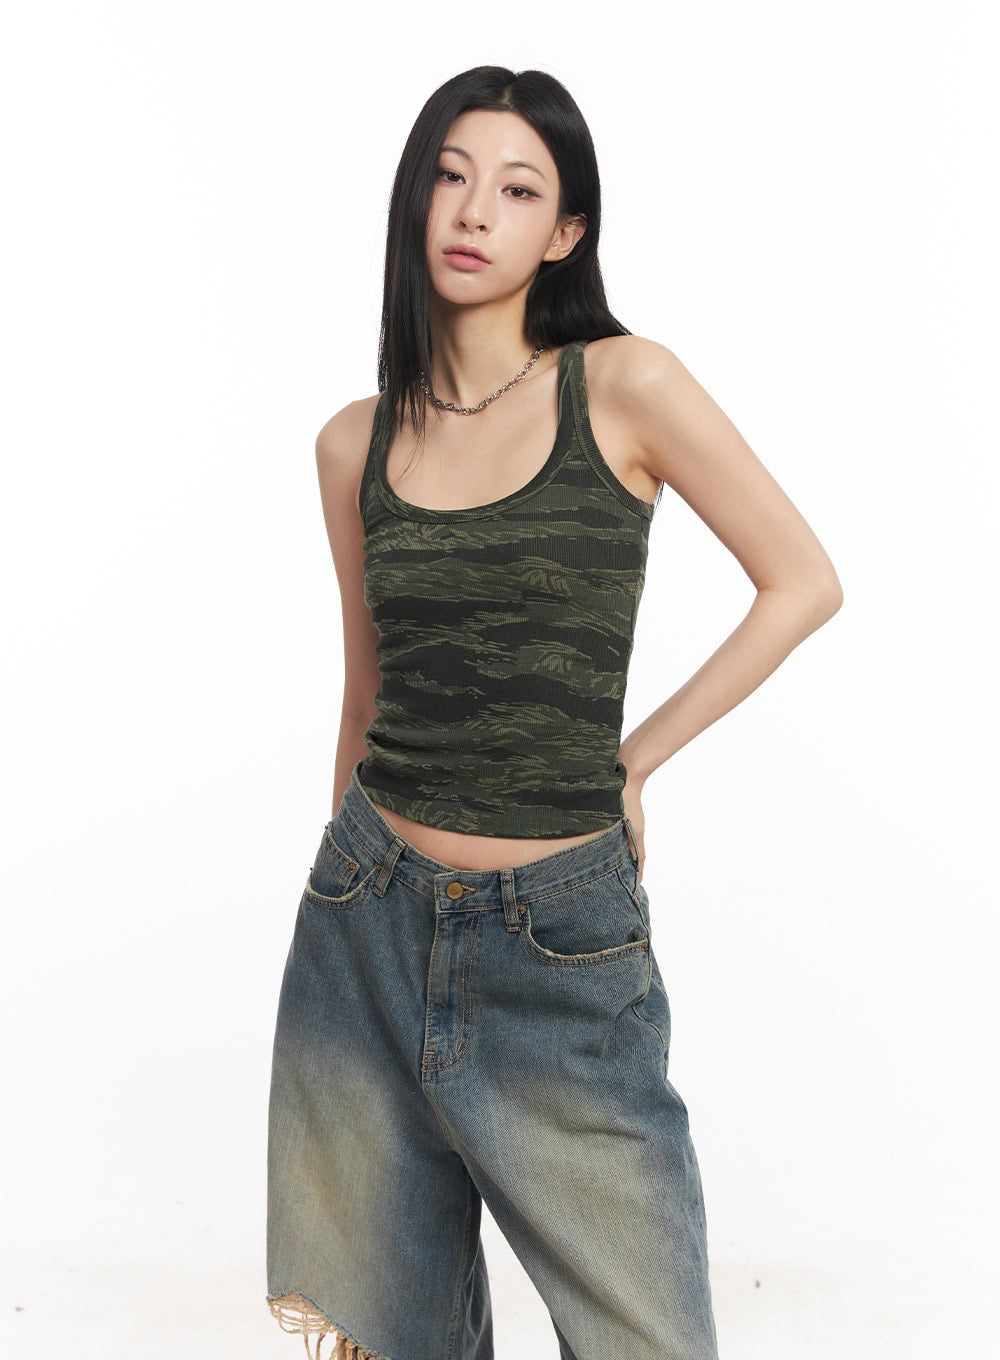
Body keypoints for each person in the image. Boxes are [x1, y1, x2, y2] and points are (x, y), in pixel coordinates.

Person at [265, 65, 843, 1360]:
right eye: (451, 176)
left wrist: (634, 762)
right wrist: (343, 872)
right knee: (397, 1334)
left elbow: (802, 582)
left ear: (566, 232)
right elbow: (366, 687)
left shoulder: (623, 387)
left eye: (519, 189)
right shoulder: (355, 443)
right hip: (364, 925)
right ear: (415, 200)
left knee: (647, 1335)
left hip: (561, 941)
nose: (476, 210)